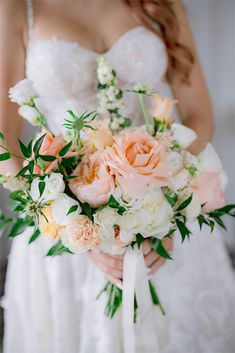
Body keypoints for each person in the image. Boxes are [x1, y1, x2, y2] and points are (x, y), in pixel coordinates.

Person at [0, 1, 234, 352]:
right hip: (65, 230)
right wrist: (72, 227)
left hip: (163, 209)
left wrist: (167, 211)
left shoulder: (164, 5)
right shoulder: (17, 7)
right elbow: (5, 139)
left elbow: (199, 114)